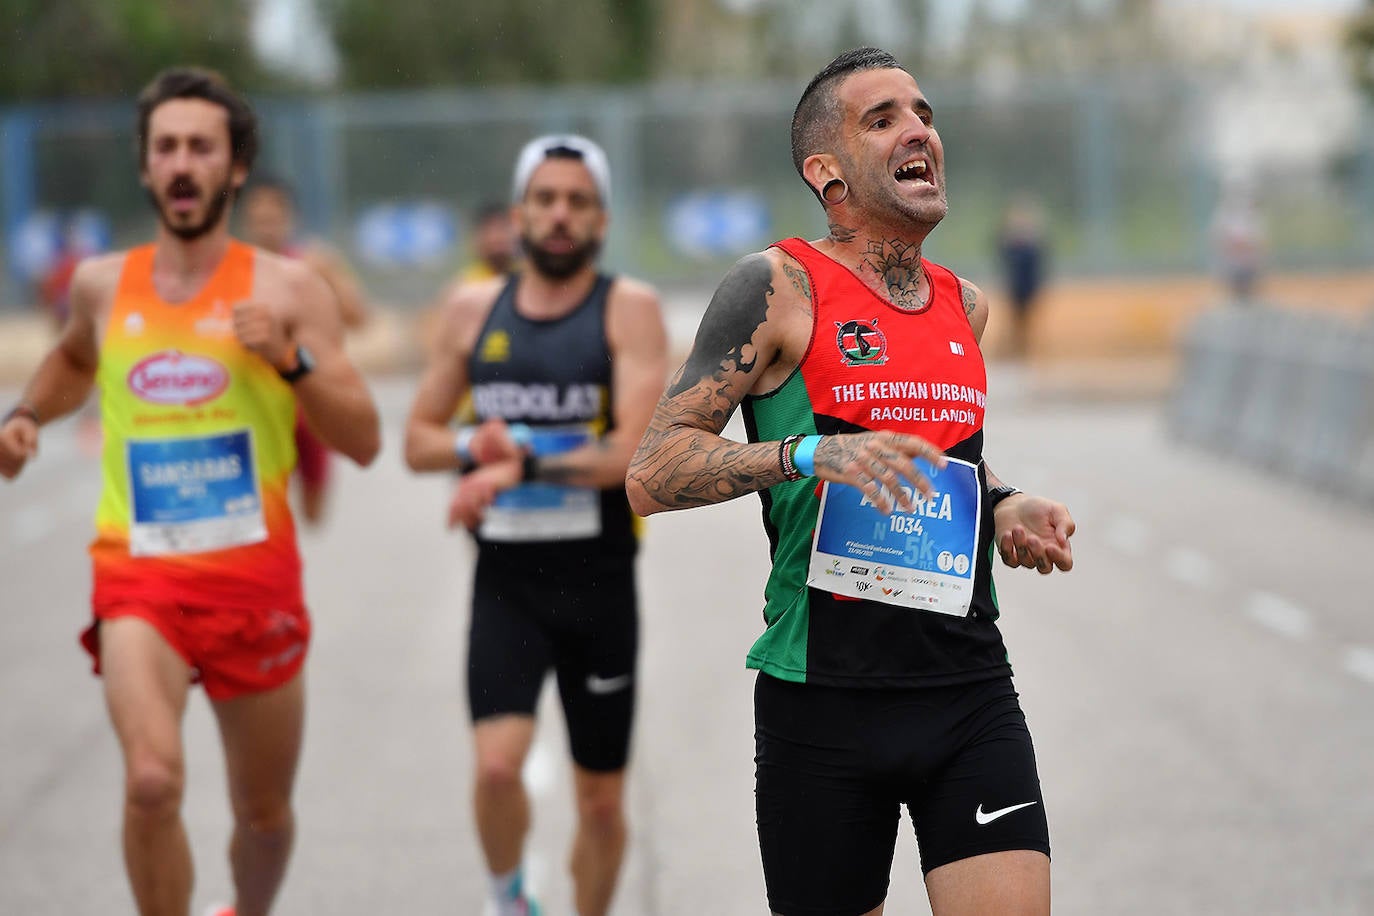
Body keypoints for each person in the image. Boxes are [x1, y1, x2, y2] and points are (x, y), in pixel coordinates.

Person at [626, 48, 1076, 916]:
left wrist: (1004, 505)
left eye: (925, 114)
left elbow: (943, 471)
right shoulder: (778, 287)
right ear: (825, 172)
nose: (919, 131)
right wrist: (805, 456)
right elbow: (654, 470)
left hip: (966, 689)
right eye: (884, 119)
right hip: (820, 701)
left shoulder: (965, 305)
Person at [0, 67, 380, 916]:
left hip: (256, 585)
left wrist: (291, 359)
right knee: (150, 781)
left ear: (234, 167)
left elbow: (362, 439)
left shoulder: (288, 289)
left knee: (264, 816)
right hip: (140, 579)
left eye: (200, 147)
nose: (181, 162)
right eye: (165, 146)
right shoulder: (102, 285)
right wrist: (27, 412)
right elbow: (70, 358)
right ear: (144, 166)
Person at [403, 135, 667, 916]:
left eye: (577, 203)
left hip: (599, 586)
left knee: (599, 805)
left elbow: (633, 456)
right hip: (508, 586)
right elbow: (416, 441)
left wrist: (515, 463)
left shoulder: (630, 309)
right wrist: (466, 443)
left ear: (602, 219)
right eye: (545, 200)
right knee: (494, 769)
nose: (560, 216)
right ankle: (507, 897)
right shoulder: (470, 310)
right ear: (518, 214)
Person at [241, 177, 370, 526]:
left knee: (314, 514)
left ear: (290, 218)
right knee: (258, 509)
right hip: (255, 404)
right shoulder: (233, 271)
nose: (268, 226)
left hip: (308, 400)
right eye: (259, 218)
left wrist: (330, 279)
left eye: (275, 216)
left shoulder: (311, 264)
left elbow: (359, 318)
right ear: (247, 221)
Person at [996, 193, 1048, 361]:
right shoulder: (1011, 243)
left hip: (1029, 286)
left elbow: (1039, 265)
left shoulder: (1032, 244)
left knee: (1026, 320)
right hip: (1015, 286)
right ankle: (1011, 351)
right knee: (1013, 320)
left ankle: (1023, 350)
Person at [459, 200, 520, 283]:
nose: (496, 238)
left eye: (501, 229)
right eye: (488, 231)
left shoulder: (528, 276)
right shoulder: (468, 284)